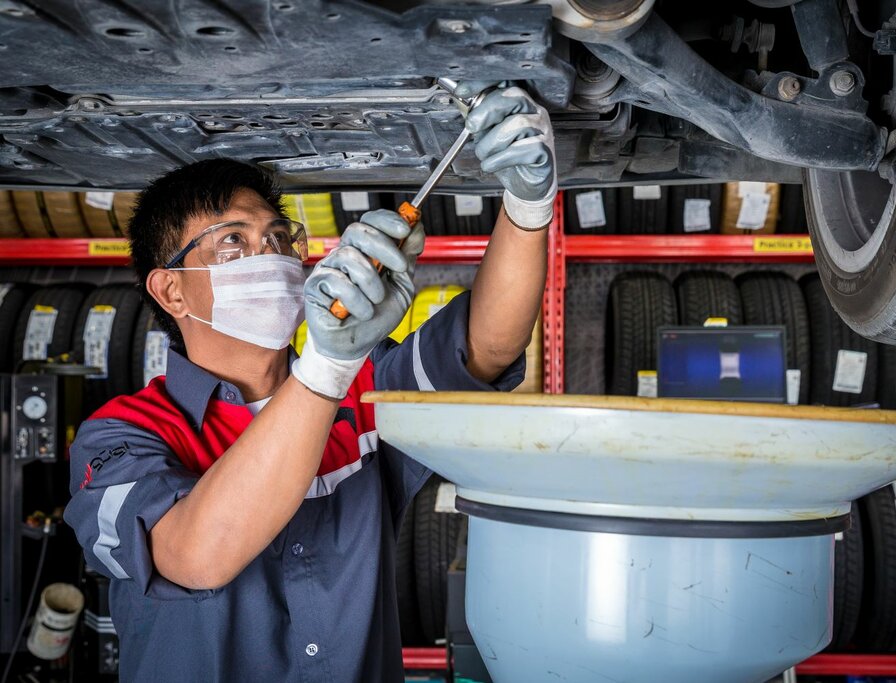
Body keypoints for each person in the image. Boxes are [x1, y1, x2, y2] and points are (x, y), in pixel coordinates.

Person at [64, 82, 555, 682]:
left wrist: (528, 205)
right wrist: (326, 367)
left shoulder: (363, 388)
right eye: (234, 242)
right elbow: (195, 555)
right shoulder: (122, 435)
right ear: (171, 290)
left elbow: (488, 345)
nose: (270, 255)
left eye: (278, 238)